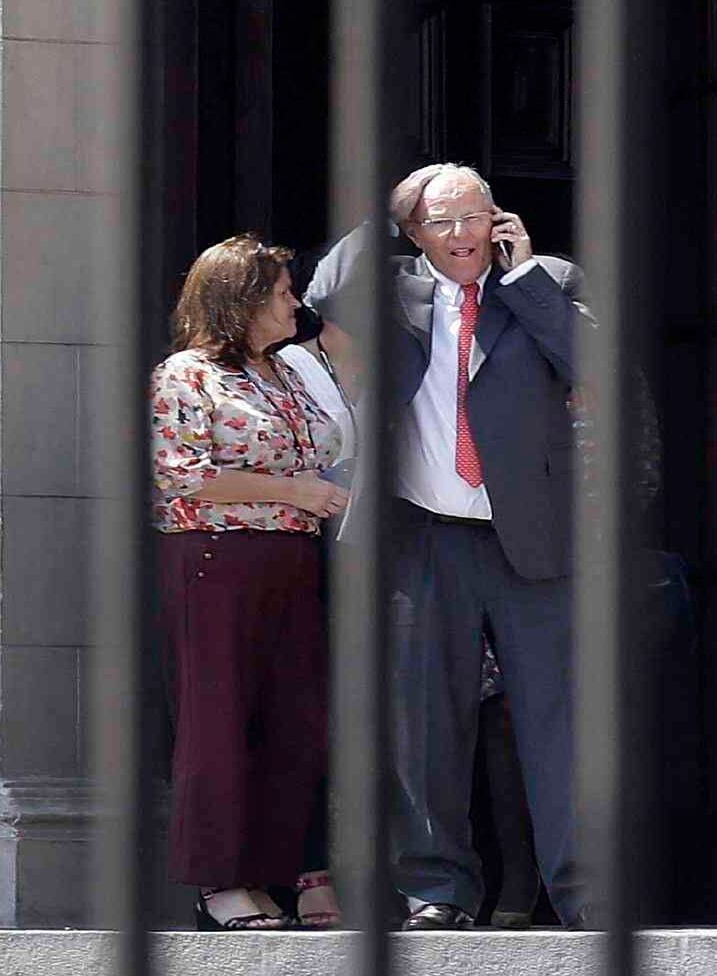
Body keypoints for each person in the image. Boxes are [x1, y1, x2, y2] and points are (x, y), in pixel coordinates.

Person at [306, 162, 596, 930]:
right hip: (421, 534)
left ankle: (584, 895)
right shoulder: (392, 289)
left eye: (477, 216)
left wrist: (523, 269)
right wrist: (390, 214)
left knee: (558, 721)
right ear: (416, 233)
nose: (466, 235)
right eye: (445, 222)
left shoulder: (547, 282)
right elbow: (323, 287)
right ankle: (437, 890)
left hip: (529, 537)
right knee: (423, 725)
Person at [151, 235, 350, 930]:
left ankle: (293, 869)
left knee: (295, 721)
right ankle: (220, 880)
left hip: (290, 561)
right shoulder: (187, 374)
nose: (295, 303)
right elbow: (181, 473)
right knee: (219, 720)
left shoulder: (287, 374)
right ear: (240, 301)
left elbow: (329, 443)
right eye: (281, 293)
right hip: (216, 560)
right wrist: (293, 491)